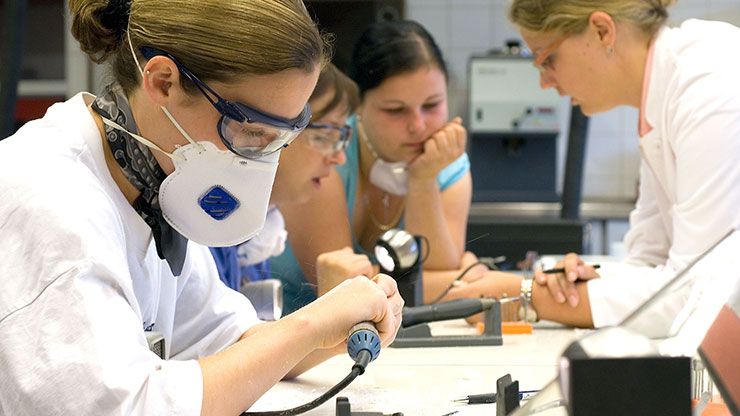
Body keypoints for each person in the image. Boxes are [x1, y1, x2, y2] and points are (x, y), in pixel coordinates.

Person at [0, 1, 403, 415]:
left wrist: (332, 326)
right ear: (163, 82)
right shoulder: (51, 200)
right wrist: (308, 327)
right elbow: (125, 407)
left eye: (281, 138)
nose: (261, 158)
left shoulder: (150, 180)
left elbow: (228, 343)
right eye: (248, 130)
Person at [443, 0, 740, 329]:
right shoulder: (662, 97)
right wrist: (573, 283)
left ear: (602, 31)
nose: (544, 82)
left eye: (548, 59)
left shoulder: (710, 87)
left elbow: (697, 294)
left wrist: (526, 297)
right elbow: (648, 264)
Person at [272, 20, 473, 314]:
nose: (418, 126)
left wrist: (424, 180)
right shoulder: (327, 155)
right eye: (395, 110)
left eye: (432, 105)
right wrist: (466, 281)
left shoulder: (448, 161)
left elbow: (434, 285)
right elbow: (348, 293)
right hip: (296, 338)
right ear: (359, 106)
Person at [209, 63, 358, 291]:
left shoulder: (257, 227)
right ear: (261, 132)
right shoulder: (206, 234)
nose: (339, 158)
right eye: (323, 137)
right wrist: (333, 304)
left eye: (340, 138)